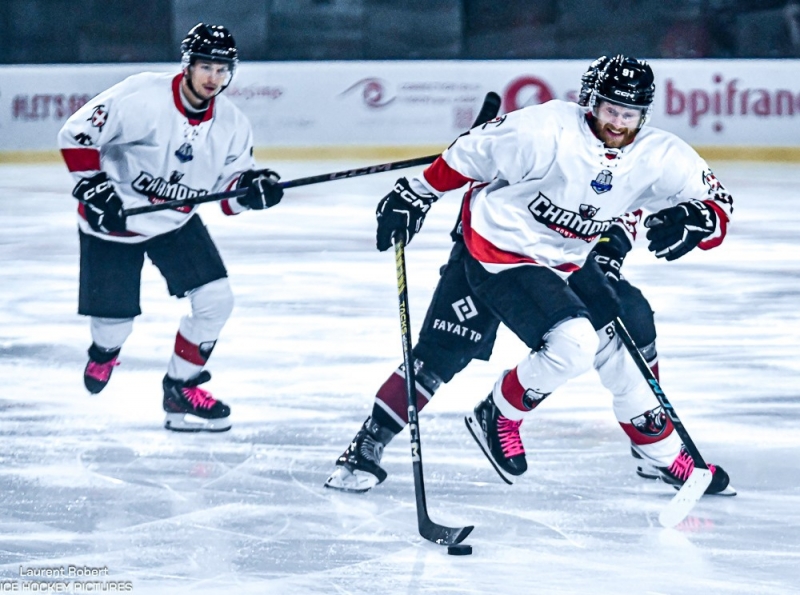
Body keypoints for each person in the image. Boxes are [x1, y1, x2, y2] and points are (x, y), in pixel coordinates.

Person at [325, 54, 735, 496]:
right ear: (592, 102)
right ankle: (370, 442)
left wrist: (701, 220)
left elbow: (716, 204)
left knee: (628, 331)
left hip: (566, 260)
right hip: (496, 250)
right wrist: (416, 193)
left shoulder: (660, 155)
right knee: (446, 351)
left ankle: (660, 455)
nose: (618, 122)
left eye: (629, 114)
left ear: (644, 114)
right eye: (610, 109)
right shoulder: (543, 130)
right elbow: (469, 152)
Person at [57, 23, 284, 432]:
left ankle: (181, 387)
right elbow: (77, 134)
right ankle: (104, 353)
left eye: (222, 69)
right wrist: (94, 188)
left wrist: (253, 191)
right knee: (113, 329)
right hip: (115, 223)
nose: (213, 77)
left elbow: (229, 196)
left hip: (175, 222)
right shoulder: (142, 95)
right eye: (206, 67)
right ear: (188, 65)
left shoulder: (233, 125)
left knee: (216, 301)